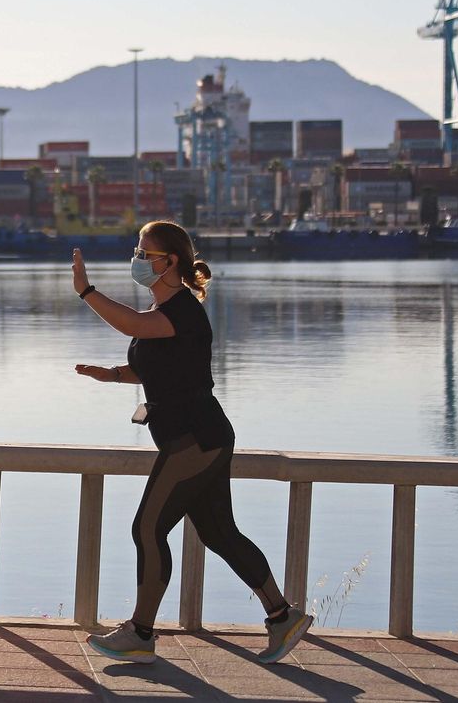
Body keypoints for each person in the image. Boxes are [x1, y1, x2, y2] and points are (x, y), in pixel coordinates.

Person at [70, 220, 311, 666]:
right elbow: (159, 367)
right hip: (198, 437)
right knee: (219, 532)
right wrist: (113, 375)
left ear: (171, 261)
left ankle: (140, 633)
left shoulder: (182, 309)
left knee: (148, 527)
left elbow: (132, 326)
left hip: (194, 440)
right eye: (137, 252)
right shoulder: (163, 312)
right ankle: (282, 616)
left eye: (145, 253)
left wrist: (87, 291)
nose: (138, 260)